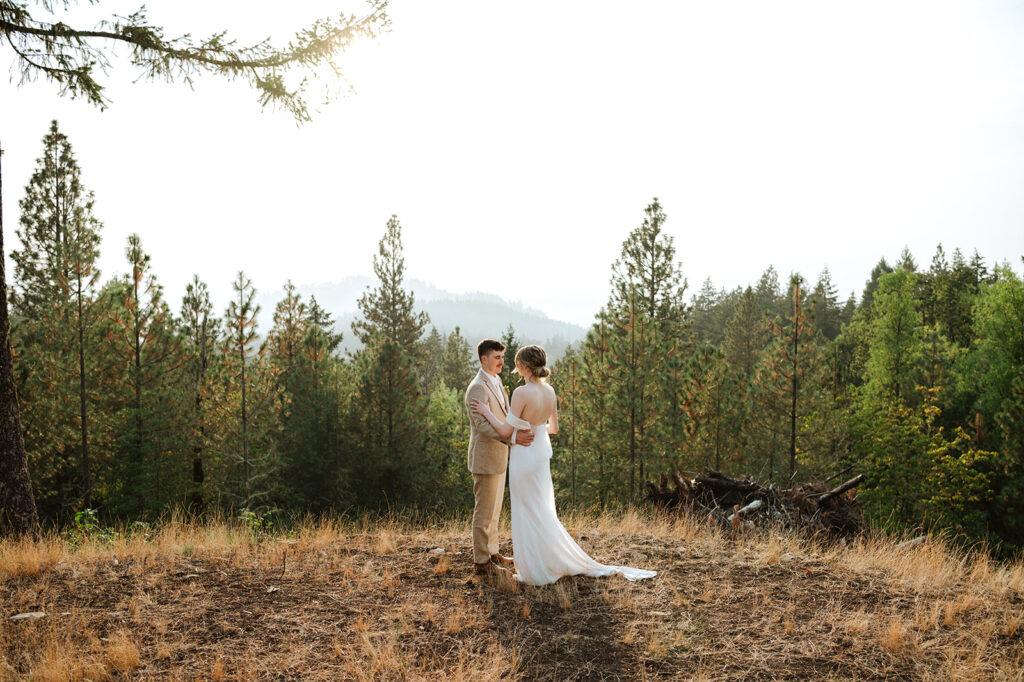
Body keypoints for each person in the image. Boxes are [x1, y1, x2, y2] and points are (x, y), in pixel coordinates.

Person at [472, 344, 657, 586]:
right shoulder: (550, 392)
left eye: (516, 363)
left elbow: (506, 430)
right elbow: (553, 429)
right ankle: (547, 559)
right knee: (541, 507)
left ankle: (534, 568)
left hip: (523, 455)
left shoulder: (520, 393)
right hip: (539, 453)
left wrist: (487, 412)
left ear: (525, 366)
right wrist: (535, 428)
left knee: (526, 508)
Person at [465, 339, 535, 575]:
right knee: (483, 512)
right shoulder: (478, 387)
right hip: (485, 457)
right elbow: (483, 425)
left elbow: (504, 416)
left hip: (499, 456)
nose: (502, 362)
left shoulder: (496, 381)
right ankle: (481, 562)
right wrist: (513, 438)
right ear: (484, 359)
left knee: (494, 510)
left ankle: (493, 552)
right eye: (497, 357)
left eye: (502, 357)